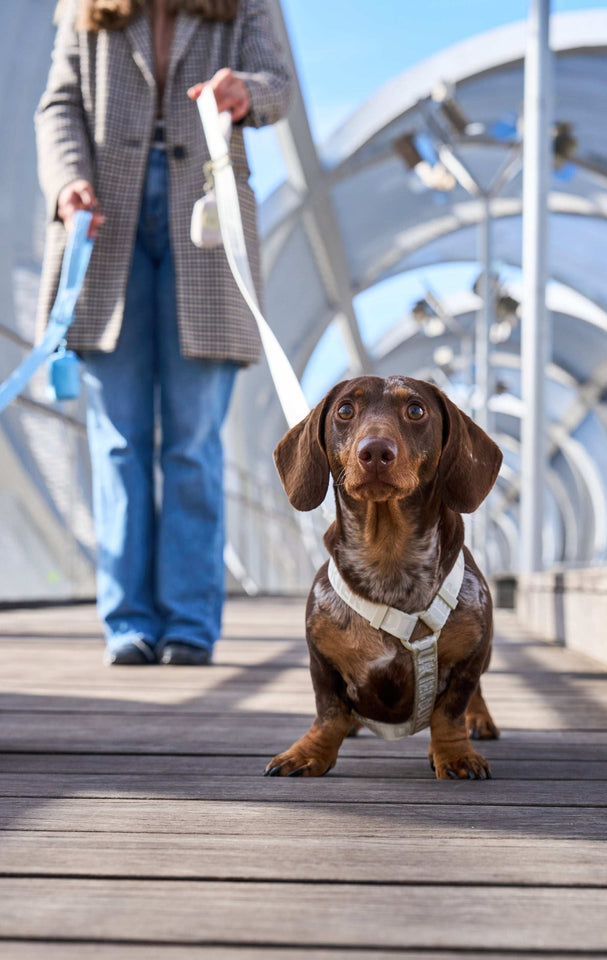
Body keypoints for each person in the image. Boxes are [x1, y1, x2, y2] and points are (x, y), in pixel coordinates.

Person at [36, 0, 291, 665]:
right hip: (103, 224)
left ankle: (188, 625)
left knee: (193, 441)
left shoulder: (244, 5)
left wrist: (245, 92)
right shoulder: (86, 9)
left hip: (206, 221)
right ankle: (127, 623)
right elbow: (58, 104)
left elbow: (279, 87)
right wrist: (67, 180)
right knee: (117, 440)